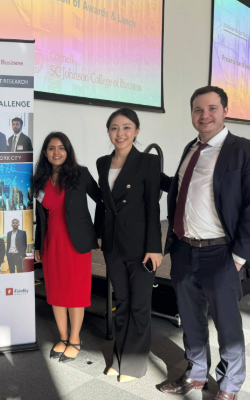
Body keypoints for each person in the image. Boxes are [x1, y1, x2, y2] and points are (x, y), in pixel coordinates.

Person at [158, 86, 250, 400]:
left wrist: (237, 257)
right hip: (184, 250)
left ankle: (230, 385)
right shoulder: (190, 149)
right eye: (197, 110)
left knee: (227, 325)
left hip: (222, 253)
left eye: (212, 109)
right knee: (191, 320)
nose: (204, 115)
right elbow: (184, 190)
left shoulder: (248, 150)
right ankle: (195, 374)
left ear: (225, 110)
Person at [95, 108, 162, 382]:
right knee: (121, 302)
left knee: (139, 305)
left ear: (136, 131)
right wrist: (98, 236)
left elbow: (152, 207)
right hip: (112, 244)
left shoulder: (148, 162)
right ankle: (119, 357)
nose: (119, 133)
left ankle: (134, 364)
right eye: (114, 128)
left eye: (126, 127)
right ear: (108, 132)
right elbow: (103, 203)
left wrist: (155, 247)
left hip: (140, 245)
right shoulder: (102, 162)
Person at [33, 132, 101, 363]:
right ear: (45, 153)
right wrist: (37, 244)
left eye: (61, 148)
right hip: (52, 244)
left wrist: (98, 233)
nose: (56, 152)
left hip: (76, 244)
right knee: (56, 292)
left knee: (75, 292)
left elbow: (101, 200)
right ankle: (62, 337)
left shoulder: (80, 174)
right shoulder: (41, 180)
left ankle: (75, 339)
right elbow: (40, 217)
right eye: (51, 148)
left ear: (68, 151)